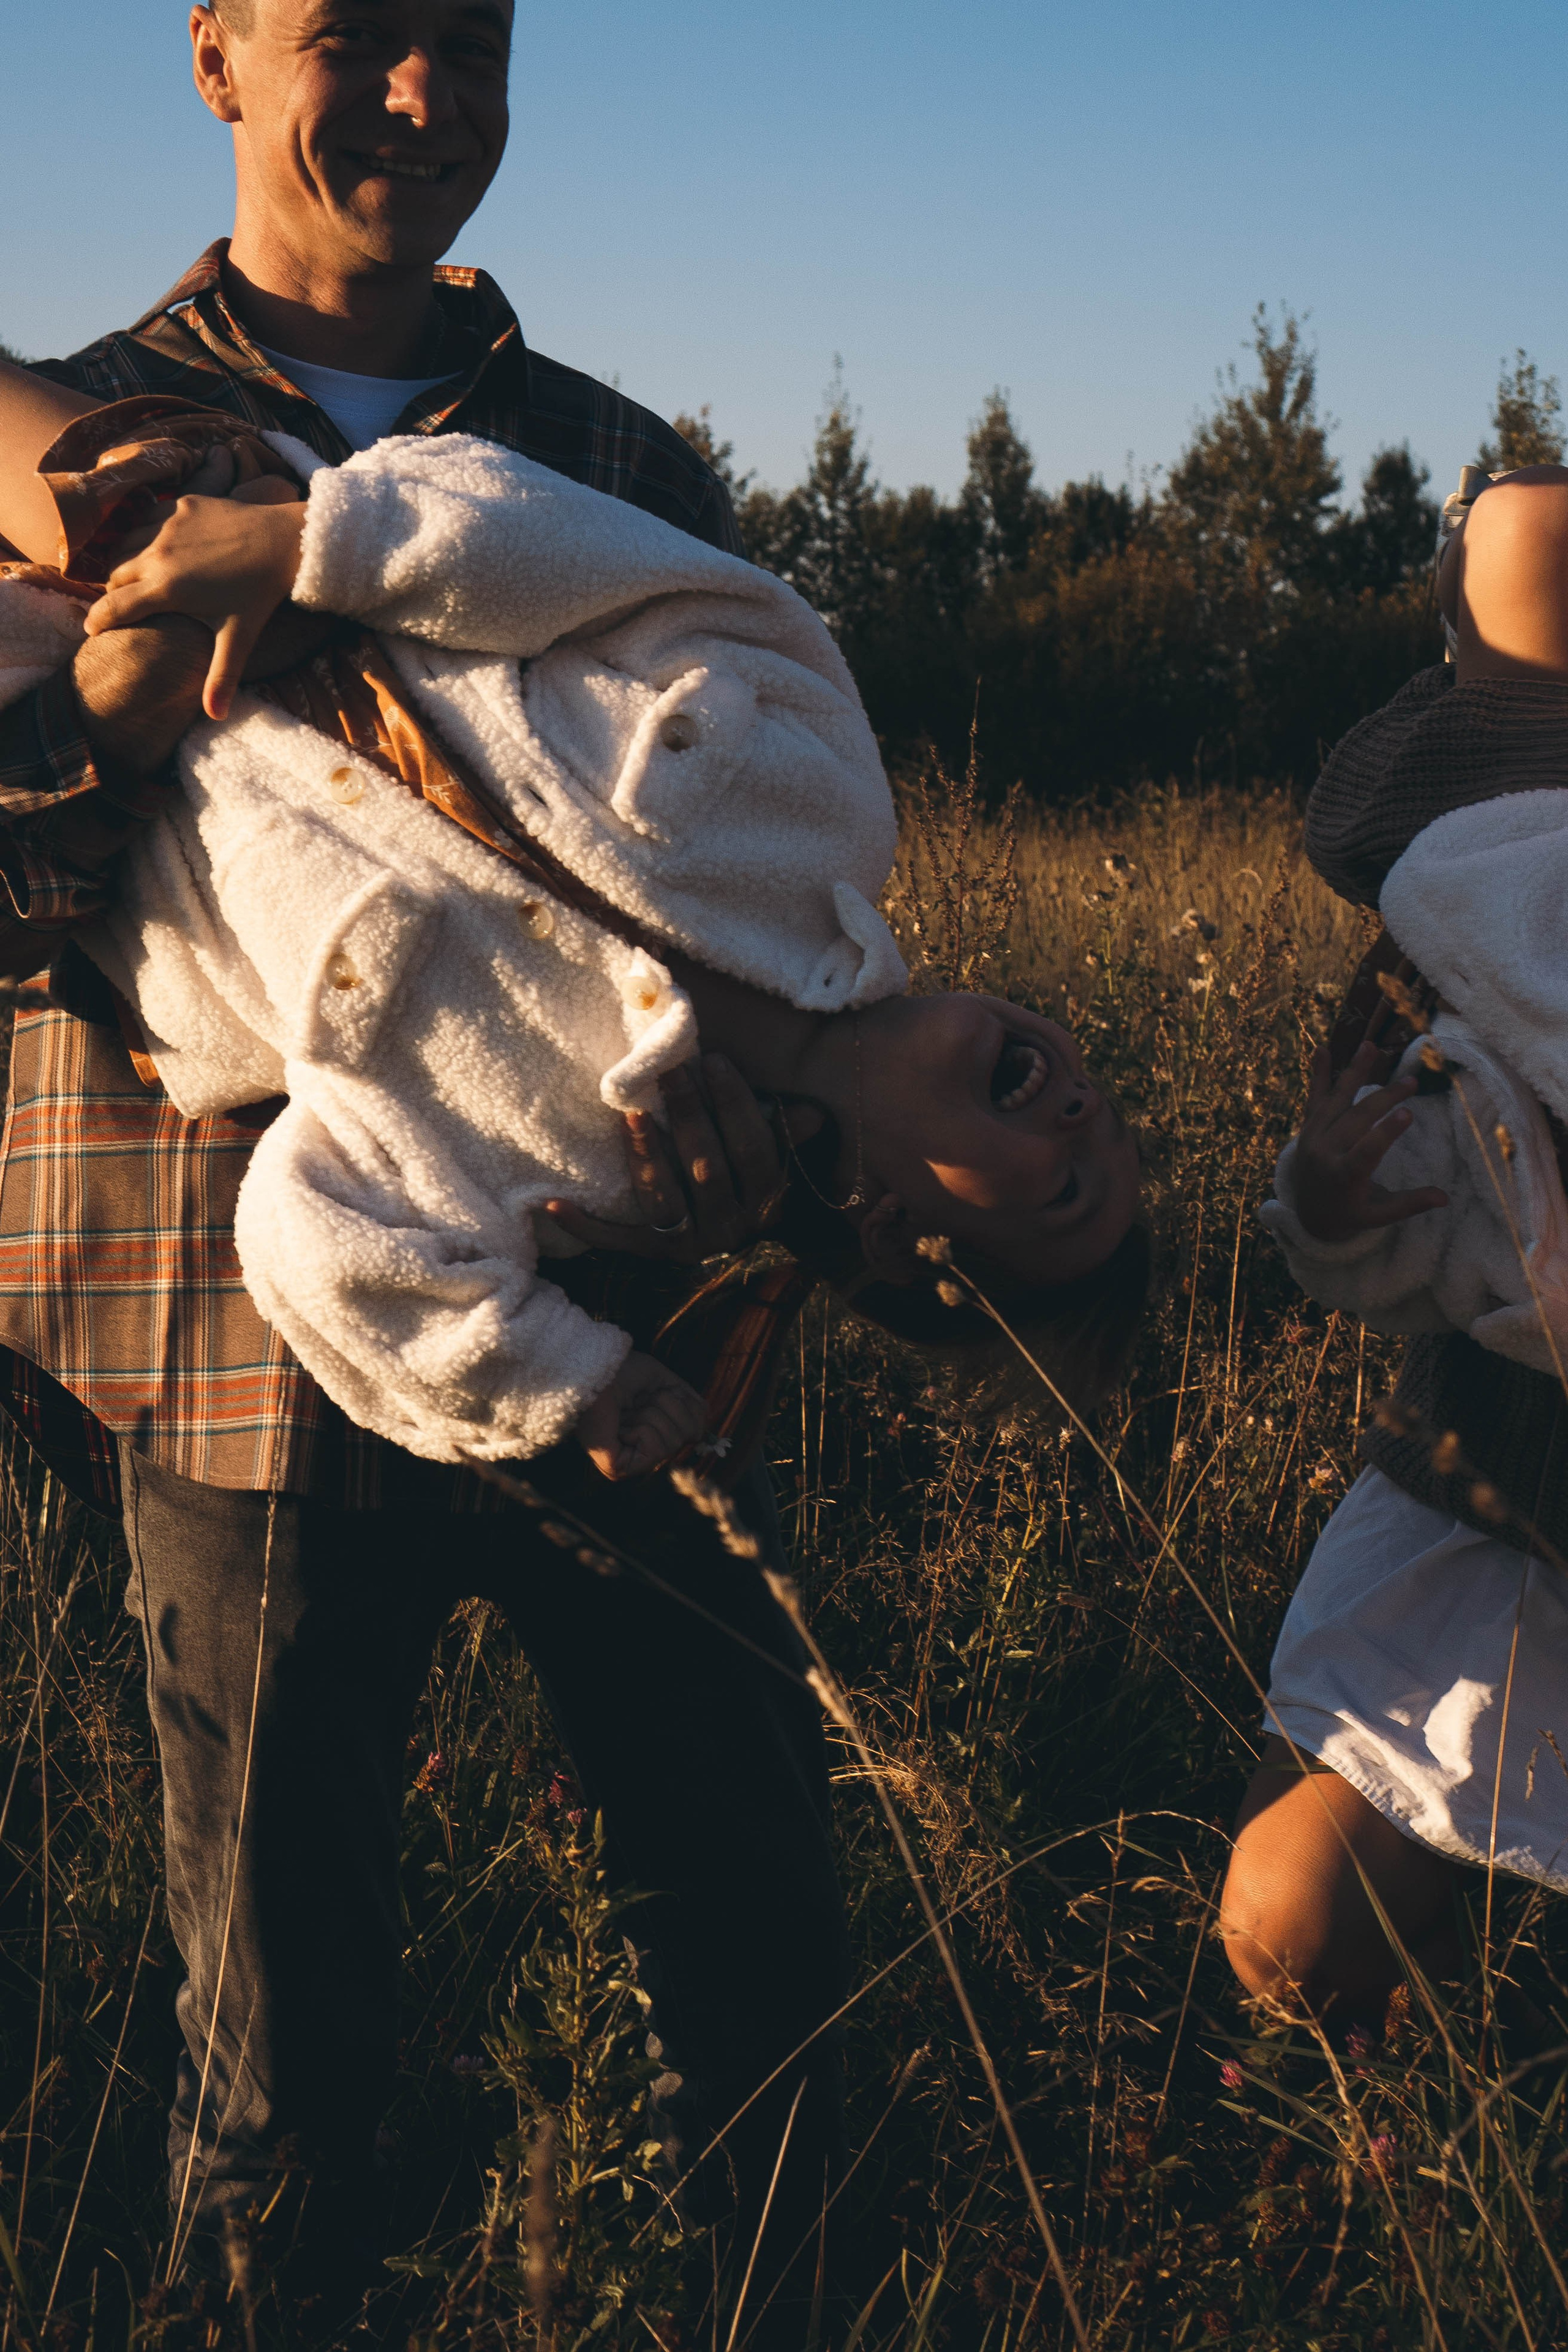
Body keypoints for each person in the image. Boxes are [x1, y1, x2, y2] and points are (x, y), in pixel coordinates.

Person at [0, 4, 1147, 2331]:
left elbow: (733, 823)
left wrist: (765, 1182)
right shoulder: (51, 428)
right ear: (217, 53)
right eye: (360, 34)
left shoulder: (601, 452)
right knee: (286, 2063)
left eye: (476, 40)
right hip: (224, 1356)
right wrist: (93, 731)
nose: (426, 96)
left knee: (760, 1978)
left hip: (636, 1335)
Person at [1222, 462, 1568, 2024]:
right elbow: (1344, 1219)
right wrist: (1336, 1200)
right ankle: (1447, 2017)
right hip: (1496, 1490)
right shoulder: (1433, 941)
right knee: (1287, 1929)